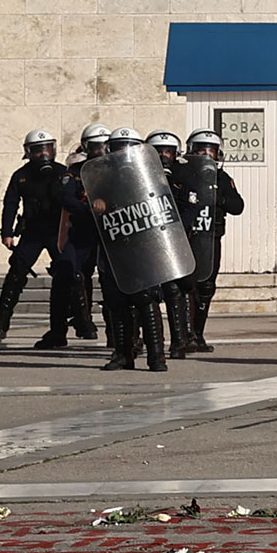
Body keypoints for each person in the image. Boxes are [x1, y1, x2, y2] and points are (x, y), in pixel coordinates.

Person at [92, 129, 169, 372]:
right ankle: (123, 354)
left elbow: (164, 206)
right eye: (118, 148)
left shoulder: (150, 176)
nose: (122, 154)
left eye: (127, 148)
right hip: (115, 246)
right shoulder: (102, 178)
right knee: (116, 302)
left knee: (146, 299)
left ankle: (157, 356)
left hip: (143, 246)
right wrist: (97, 204)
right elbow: (89, 205)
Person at [0, 129, 66, 345]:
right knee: (15, 274)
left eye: (47, 148)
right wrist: (7, 232)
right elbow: (10, 204)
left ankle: (65, 328)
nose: (43, 154)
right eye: (38, 150)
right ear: (29, 152)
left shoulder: (63, 173)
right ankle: (1, 324)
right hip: (33, 232)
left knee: (67, 276)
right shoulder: (21, 176)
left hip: (58, 232)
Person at [36, 124, 110, 349]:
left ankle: (119, 334)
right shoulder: (76, 173)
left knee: (114, 282)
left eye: (104, 146)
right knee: (66, 273)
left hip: (111, 232)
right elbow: (66, 198)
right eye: (95, 146)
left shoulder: (118, 171)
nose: (100, 151)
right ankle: (60, 330)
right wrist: (88, 209)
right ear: (86, 147)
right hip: (82, 232)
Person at [183, 129, 245, 351]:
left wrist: (220, 199)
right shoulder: (183, 175)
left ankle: (198, 334)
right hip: (187, 237)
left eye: (211, 151)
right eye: (201, 151)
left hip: (211, 238)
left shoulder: (222, 178)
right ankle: (185, 335)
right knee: (186, 286)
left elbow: (238, 206)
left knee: (206, 286)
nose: (207, 156)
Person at [146, 130, 198, 360]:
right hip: (147, 238)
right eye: (158, 151)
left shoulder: (184, 175)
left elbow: (191, 206)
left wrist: (175, 228)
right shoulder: (140, 173)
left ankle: (179, 341)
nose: (164, 156)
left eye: (168, 151)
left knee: (174, 288)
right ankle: (141, 341)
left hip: (174, 239)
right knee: (145, 292)